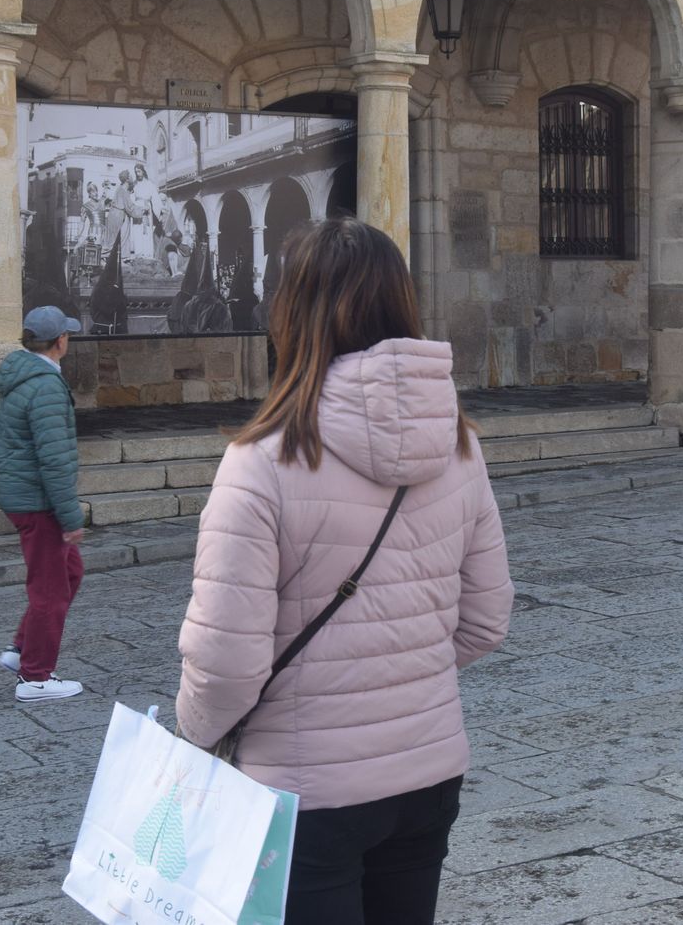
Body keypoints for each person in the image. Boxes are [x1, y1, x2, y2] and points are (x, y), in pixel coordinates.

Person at [175, 216, 513, 925]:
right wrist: (395, 679)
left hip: (303, 795)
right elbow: (485, 618)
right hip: (427, 776)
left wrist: (193, 735)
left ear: (290, 313)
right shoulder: (460, 446)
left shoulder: (260, 462)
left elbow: (224, 665)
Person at [0, 305, 88, 703]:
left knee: (69, 572)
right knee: (51, 590)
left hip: (26, 496)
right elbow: (54, 459)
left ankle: (20, 651)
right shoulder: (45, 385)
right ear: (60, 341)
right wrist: (70, 516)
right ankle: (35, 677)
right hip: (39, 501)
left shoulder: (24, 377)